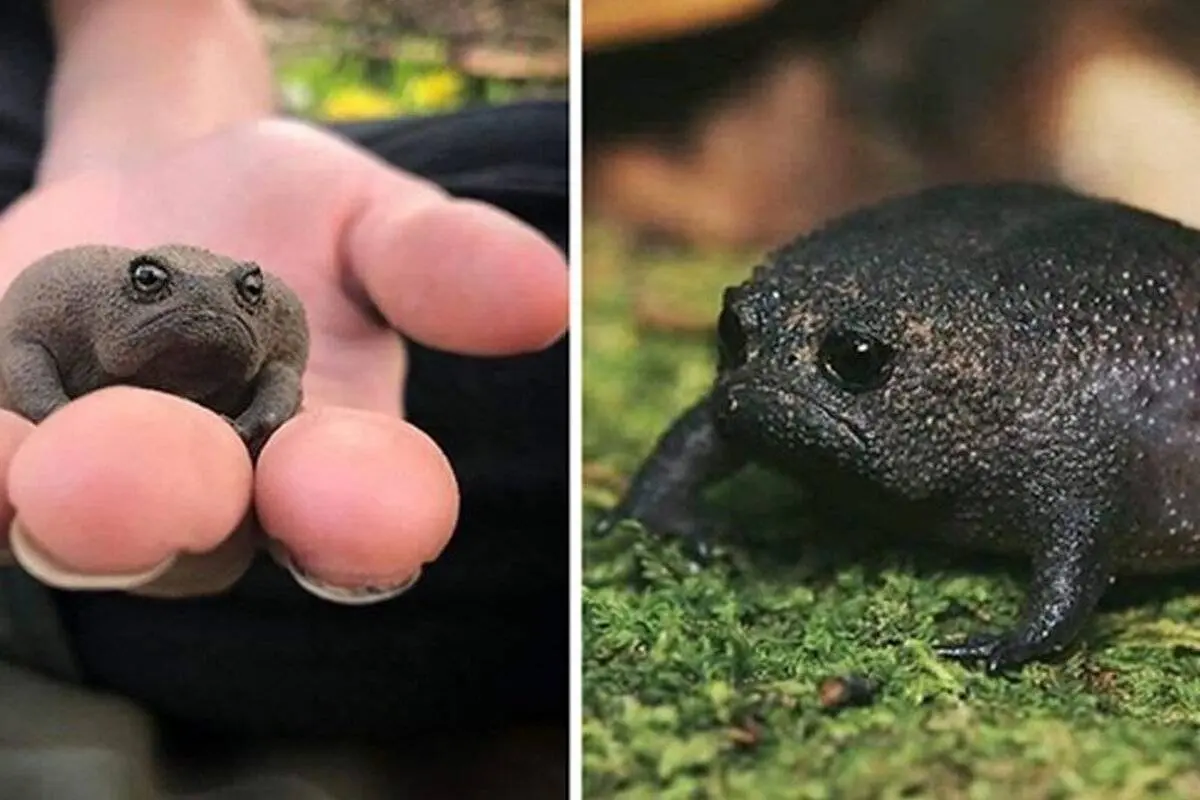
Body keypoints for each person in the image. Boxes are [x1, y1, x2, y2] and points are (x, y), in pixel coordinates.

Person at [0, 0, 569, 795]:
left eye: (250, 293)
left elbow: (281, 372)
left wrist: (152, 123)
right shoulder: (61, 295)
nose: (220, 307)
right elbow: (21, 345)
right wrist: (49, 409)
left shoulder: (271, 319)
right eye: (153, 287)